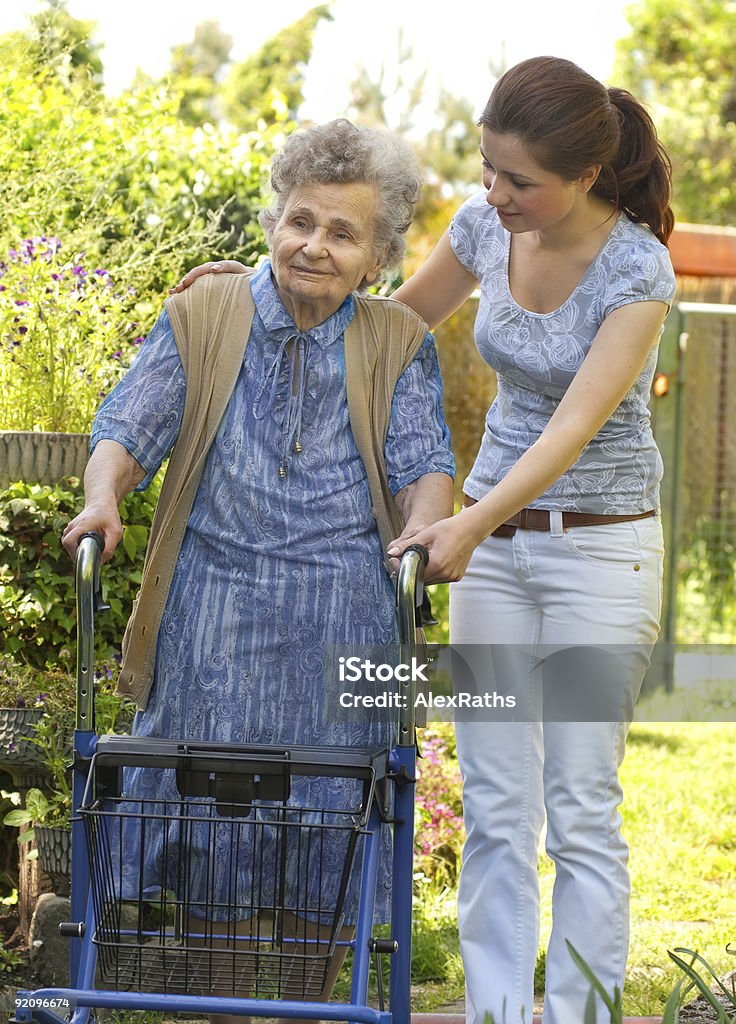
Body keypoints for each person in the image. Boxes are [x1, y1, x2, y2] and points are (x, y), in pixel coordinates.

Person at [176, 57, 677, 1024]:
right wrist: (244, 290)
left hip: (600, 555)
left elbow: (575, 426)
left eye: (517, 180)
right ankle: (493, 1013)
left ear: (581, 179)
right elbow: (389, 323)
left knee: (579, 809)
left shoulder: (636, 268)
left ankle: (578, 1016)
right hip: (491, 549)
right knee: (495, 810)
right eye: (489, 169)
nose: (493, 194)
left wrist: (468, 521)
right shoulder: (486, 229)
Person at [62, 118, 455, 1024]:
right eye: (300, 221)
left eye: (342, 232)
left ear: (380, 255)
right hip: (215, 625)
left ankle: (313, 1011)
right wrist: (103, 496)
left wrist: (426, 529)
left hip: (344, 621)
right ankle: (225, 1013)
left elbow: (423, 464)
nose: (314, 244)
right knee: (218, 842)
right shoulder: (206, 312)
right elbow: (131, 422)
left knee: (332, 839)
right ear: (276, 220)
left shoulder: (398, 341)